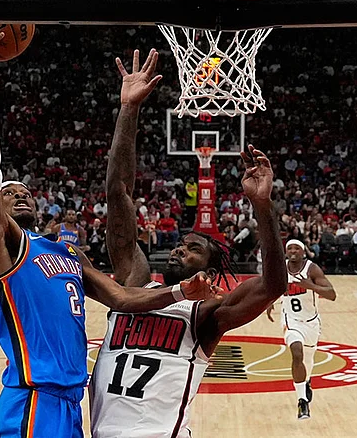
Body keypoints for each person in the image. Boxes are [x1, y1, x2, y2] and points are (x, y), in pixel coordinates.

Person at [0, 26, 219, 438]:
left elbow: (120, 297)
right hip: (32, 400)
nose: (19, 195)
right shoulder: (3, 245)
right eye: (10, 194)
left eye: (25, 191)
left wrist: (178, 293)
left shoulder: (66, 253)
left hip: (73, 404)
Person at [89, 49, 286, 438]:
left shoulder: (207, 317)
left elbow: (273, 285)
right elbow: (119, 193)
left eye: (193, 248)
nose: (179, 249)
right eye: (181, 244)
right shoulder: (133, 281)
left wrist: (262, 205)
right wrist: (128, 109)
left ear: (211, 273)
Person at [267, 239, 336, 419]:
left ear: (303, 251)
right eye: (290, 248)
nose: (293, 251)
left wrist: (311, 286)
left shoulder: (312, 269)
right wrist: (268, 302)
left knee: (308, 359)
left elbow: (332, 294)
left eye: (297, 248)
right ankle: (302, 402)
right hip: (290, 320)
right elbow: (270, 287)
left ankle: (306, 381)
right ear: (286, 251)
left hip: (311, 321)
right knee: (296, 353)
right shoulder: (280, 268)